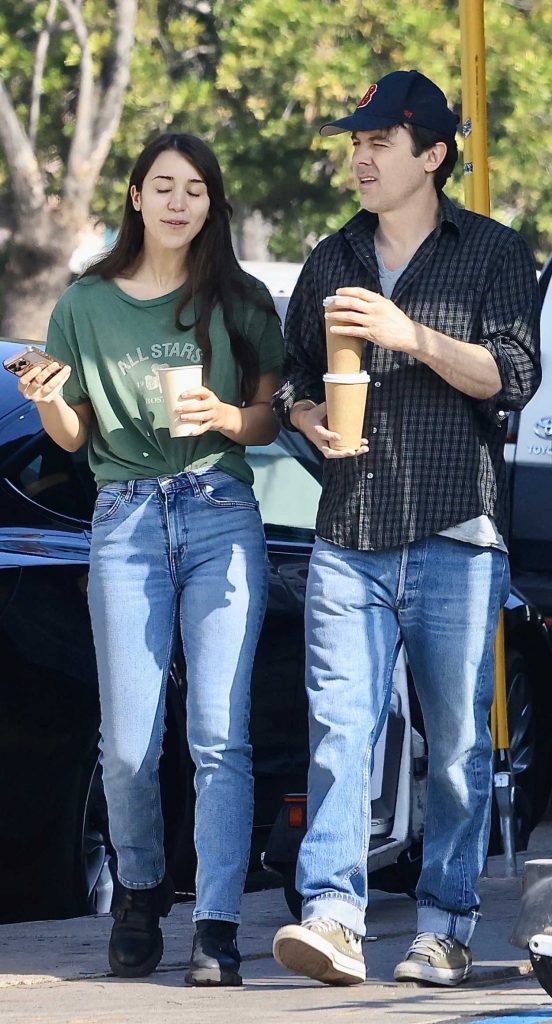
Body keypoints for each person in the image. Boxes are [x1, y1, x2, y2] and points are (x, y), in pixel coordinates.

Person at [271, 69, 541, 987]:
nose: (360, 156)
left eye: (380, 141)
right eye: (356, 141)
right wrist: (303, 412)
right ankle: (336, 916)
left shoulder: (496, 254)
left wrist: (408, 331)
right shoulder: (329, 255)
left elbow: (511, 377)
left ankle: (443, 924)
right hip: (347, 533)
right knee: (341, 731)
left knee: (460, 743)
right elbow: (291, 371)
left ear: (431, 154)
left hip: (455, 532)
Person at [18, 132, 283, 986]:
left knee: (218, 736)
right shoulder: (85, 304)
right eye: (163, 186)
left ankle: (216, 923)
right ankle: (138, 893)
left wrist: (223, 418)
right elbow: (73, 435)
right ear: (135, 196)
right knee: (129, 744)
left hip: (217, 509)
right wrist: (52, 400)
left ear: (212, 204)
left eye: (196, 190)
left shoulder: (237, 297)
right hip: (124, 518)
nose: (179, 202)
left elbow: (268, 419)